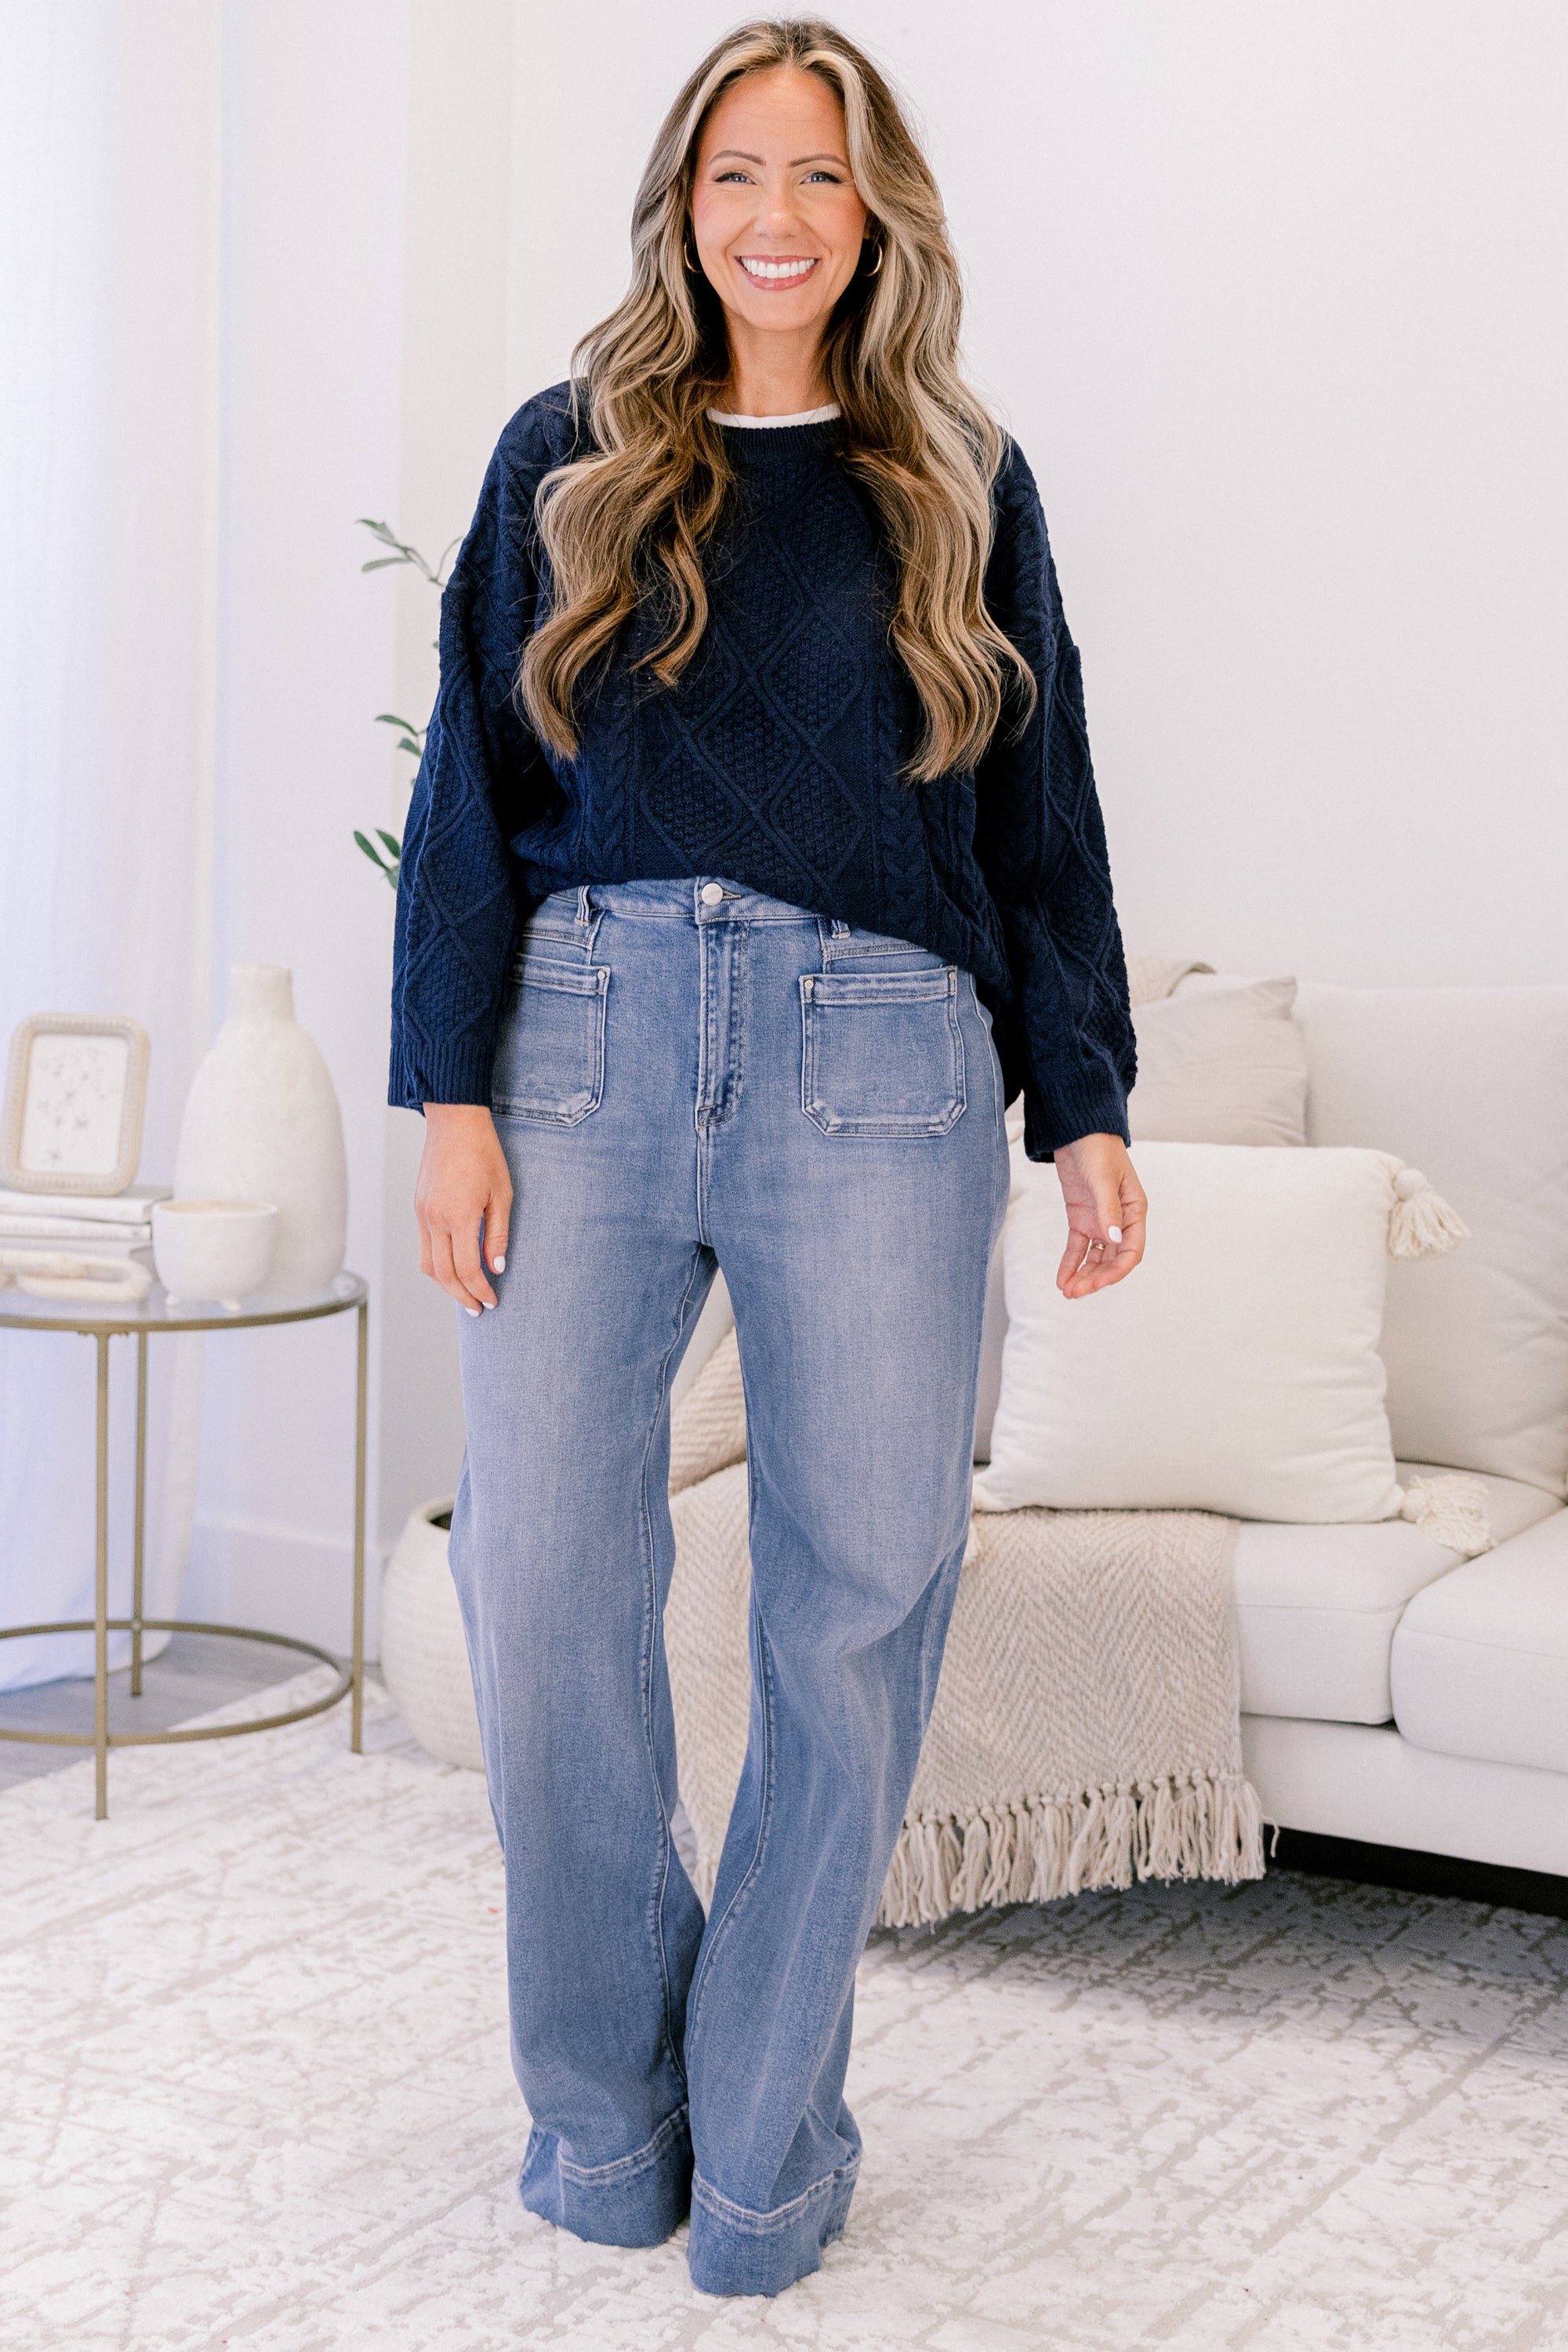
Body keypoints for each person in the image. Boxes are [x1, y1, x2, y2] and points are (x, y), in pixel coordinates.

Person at [389, 15, 1146, 2300]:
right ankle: (605, 2113)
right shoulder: (570, 455)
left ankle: (762, 2132)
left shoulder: (961, 479)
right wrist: (448, 1096)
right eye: (739, 173)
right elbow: (468, 790)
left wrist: (1088, 1105)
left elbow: (1041, 805)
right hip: (582, 1042)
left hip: (885, 1059)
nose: (778, 216)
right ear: (683, 205)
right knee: (540, 1576)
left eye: (820, 175)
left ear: (878, 211)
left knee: (864, 1593)